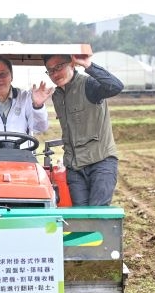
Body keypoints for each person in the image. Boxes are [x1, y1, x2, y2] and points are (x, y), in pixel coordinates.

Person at [42, 54, 124, 206]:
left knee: (97, 214)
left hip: (100, 162)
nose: (55, 74)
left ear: (72, 64)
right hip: (75, 168)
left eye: (59, 67)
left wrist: (89, 65)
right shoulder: (57, 96)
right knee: (80, 217)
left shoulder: (88, 85)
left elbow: (116, 86)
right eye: (50, 70)